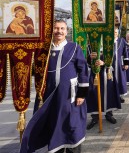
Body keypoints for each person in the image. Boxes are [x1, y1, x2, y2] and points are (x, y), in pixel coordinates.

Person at [20, 19, 89, 153]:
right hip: (49, 94)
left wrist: (82, 93)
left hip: (70, 95)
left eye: (62, 29)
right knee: (52, 122)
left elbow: (83, 70)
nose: (59, 31)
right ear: (52, 31)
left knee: (71, 123)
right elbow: (36, 70)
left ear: (66, 31)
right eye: (56, 28)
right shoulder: (44, 50)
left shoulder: (74, 47)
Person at [86, 29, 129, 130]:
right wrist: (89, 57)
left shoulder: (108, 44)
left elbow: (114, 56)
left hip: (107, 72)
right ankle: (95, 117)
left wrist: (104, 62)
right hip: (94, 73)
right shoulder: (91, 44)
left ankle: (109, 114)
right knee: (94, 94)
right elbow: (85, 59)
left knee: (109, 93)